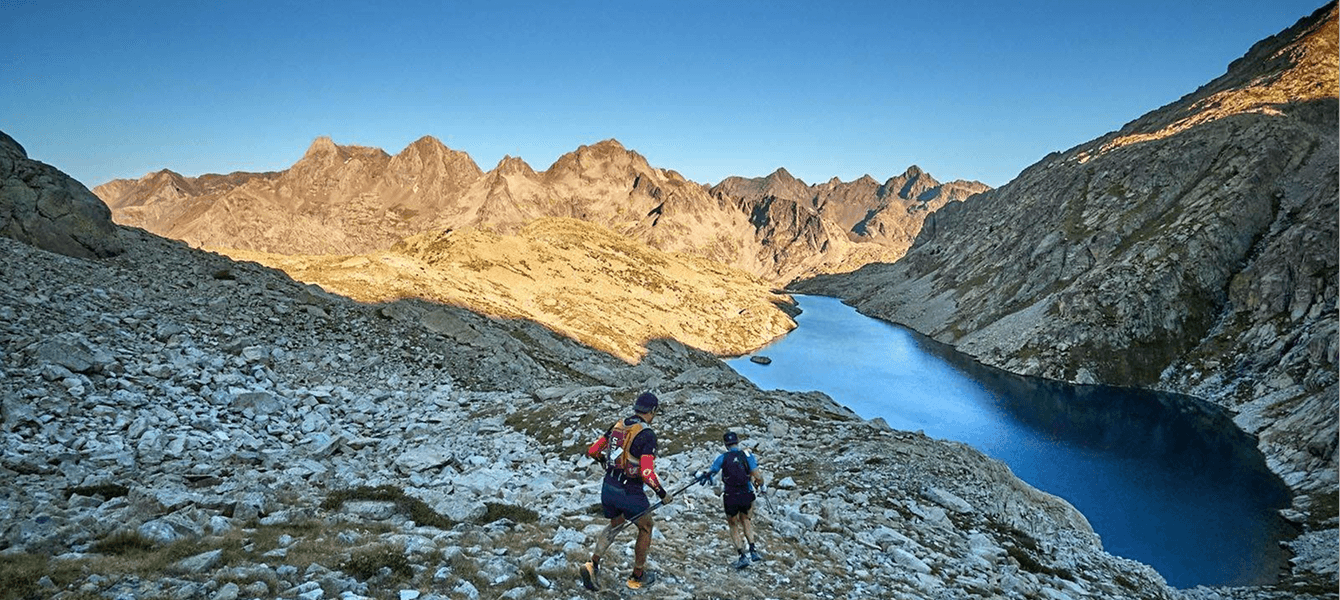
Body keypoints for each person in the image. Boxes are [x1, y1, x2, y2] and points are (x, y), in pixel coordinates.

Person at [580, 392, 671, 590]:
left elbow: (593, 450)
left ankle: (592, 564)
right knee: (646, 527)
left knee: (616, 523)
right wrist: (662, 494)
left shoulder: (618, 425)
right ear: (653, 411)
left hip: (608, 485)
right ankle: (637, 576)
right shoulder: (647, 434)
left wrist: (604, 461)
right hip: (630, 490)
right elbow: (646, 472)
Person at [700, 430, 765, 568]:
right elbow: (757, 475)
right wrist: (761, 485)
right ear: (738, 442)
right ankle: (753, 550)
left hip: (730, 495)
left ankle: (742, 556)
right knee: (746, 520)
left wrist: (705, 476)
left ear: (725, 444)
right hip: (746, 492)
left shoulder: (722, 458)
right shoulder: (747, 455)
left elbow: (712, 471)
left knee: (733, 525)